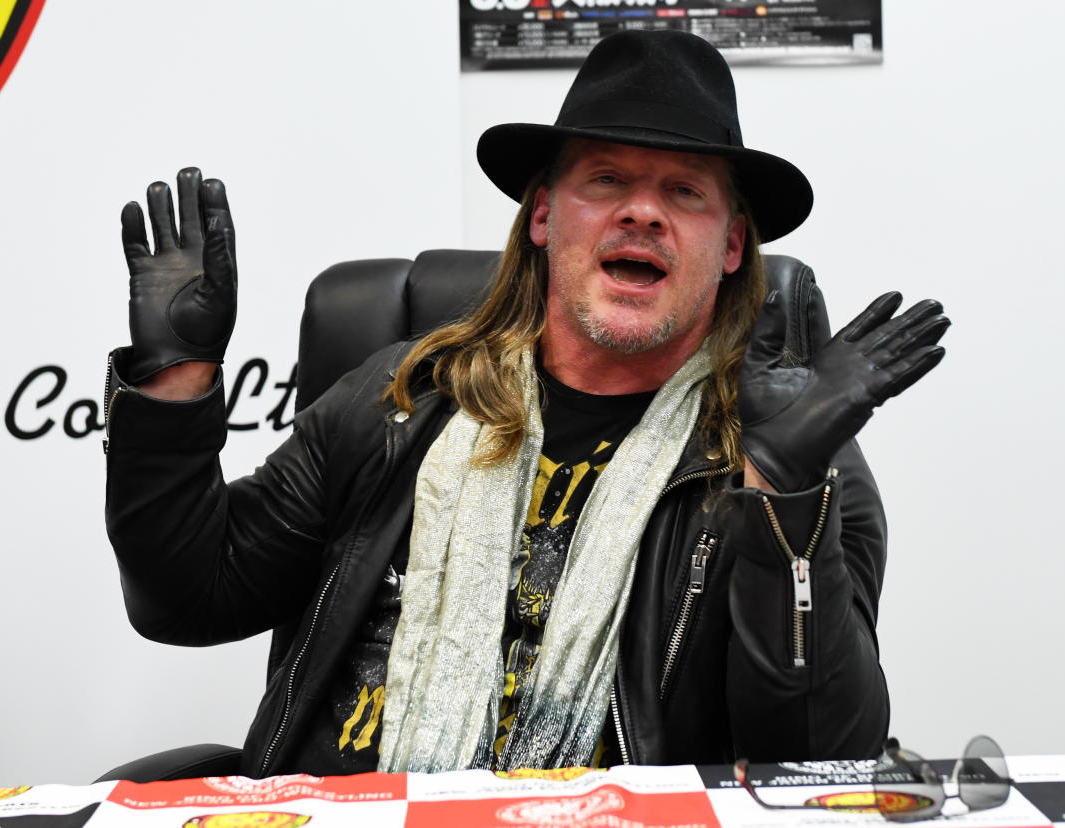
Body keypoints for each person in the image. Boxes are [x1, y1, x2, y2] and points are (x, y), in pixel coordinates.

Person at [104, 30, 948, 778]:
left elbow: (816, 759)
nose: (642, 211)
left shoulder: (798, 453)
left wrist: (783, 491)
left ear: (732, 245)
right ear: (543, 214)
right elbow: (187, 597)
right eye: (606, 178)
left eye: (685, 191)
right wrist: (174, 384)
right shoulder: (400, 401)